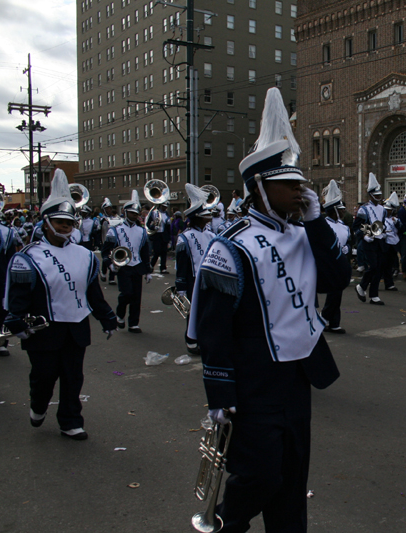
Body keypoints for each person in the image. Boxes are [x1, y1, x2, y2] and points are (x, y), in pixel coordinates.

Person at [189, 87, 349, 533]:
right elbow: (213, 330)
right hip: (254, 379)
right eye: (290, 184)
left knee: (293, 479)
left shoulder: (307, 233)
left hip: (298, 375)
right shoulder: (230, 245)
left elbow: (338, 282)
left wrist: (317, 223)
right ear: (260, 186)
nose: (301, 190)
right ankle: (228, 520)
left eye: (302, 182)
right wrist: (219, 396)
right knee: (262, 474)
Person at [4, 169, 117, 441]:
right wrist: (15, 319)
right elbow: (18, 295)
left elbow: (92, 292)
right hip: (44, 330)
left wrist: (106, 317)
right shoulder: (29, 256)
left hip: (76, 327)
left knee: (72, 377)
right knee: (44, 376)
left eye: (69, 223)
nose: (65, 228)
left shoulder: (85, 256)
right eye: (59, 222)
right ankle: (38, 404)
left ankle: (70, 421)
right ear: (46, 223)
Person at [175, 184, 217, 355]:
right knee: (193, 311)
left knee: (208, 310)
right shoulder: (184, 237)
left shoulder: (211, 235)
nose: (209, 218)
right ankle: (191, 341)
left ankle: (205, 338)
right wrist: (181, 287)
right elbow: (182, 265)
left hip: (209, 278)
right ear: (197, 218)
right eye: (205, 216)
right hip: (193, 279)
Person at [102, 190, 152, 333]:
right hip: (123, 266)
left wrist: (148, 271)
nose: (134, 216)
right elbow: (105, 251)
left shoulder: (142, 231)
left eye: (136, 214)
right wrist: (110, 264)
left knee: (137, 297)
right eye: (131, 213)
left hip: (137, 266)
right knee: (127, 293)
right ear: (125, 212)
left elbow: (144, 252)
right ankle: (120, 315)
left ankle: (133, 323)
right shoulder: (115, 230)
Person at [321, 180, 351, 334]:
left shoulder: (344, 226)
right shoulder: (323, 224)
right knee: (334, 293)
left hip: (340, 261)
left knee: (337, 293)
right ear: (333, 210)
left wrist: (347, 249)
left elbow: (348, 241)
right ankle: (324, 317)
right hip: (328, 263)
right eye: (340, 210)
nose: (343, 212)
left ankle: (334, 323)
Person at [354, 173, 387, 305]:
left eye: (379, 195)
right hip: (369, 241)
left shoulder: (383, 209)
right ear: (370, 195)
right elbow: (356, 227)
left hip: (379, 241)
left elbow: (382, 224)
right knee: (372, 266)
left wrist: (383, 233)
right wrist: (364, 236)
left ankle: (374, 295)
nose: (378, 198)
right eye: (376, 195)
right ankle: (361, 286)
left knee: (379, 268)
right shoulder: (364, 209)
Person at [0, 191, 21, 356]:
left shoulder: (6, 232)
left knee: (1, 308)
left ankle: (0, 342)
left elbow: (11, 257)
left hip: (0, 276)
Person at [382, 192, 402, 291]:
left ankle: (389, 284)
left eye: (390, 210)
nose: (388, 212)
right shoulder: (381, 219)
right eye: (387, 210)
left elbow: (401, 229)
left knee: (390, 265)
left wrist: (397, 223)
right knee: (382, 265)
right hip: (385, 243)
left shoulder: (395, 219)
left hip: (393, 244)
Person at [100, 198, 122, 285]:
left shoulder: (115, 218)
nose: (109, 210)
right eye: (107, 209)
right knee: (106, 257)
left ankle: (111, 277)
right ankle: (103, 271)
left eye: (110, 208)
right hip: (104, 240)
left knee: (113, 257)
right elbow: (98, 230)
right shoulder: (102, 219)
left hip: (113, 240)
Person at [149, 201, 171, 274]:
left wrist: (169, 238)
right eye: (163, 206)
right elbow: (148, 223)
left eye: (166, 207)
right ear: (160, 206)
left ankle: (163, 268)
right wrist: (153, 226)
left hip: (164, 235)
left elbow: (168, 227)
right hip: (157, 234)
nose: (165, 208)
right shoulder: (154, 213)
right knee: (157, 252)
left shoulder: (166, 214)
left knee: (164, 252)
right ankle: (151, 265)